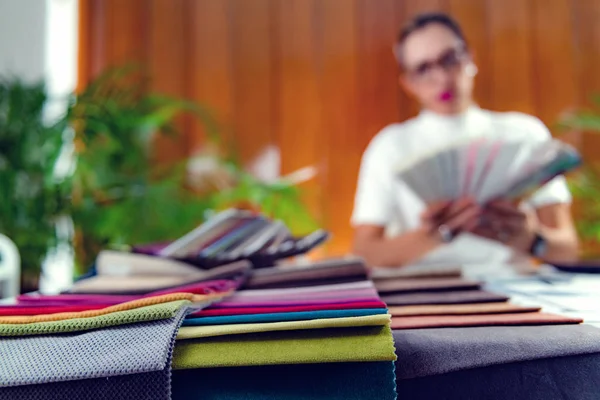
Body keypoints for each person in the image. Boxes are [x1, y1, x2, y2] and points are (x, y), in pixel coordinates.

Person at [350, 12, 579, 272]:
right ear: (409, 83)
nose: (442, 77)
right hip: (421, 291)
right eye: (423, 68)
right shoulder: (390, 145)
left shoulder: (524, 133)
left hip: (514, 290)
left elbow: (567, 249)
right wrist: (436, 234)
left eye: (449, 59)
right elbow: (364, 252)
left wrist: (529, 239)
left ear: (470, 57)